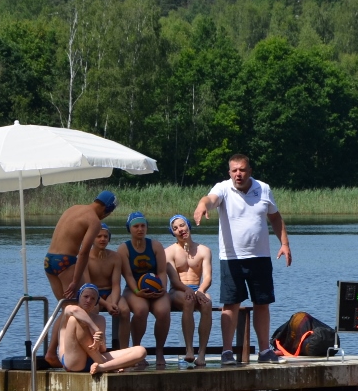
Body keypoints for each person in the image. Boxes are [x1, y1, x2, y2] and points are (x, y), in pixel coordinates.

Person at [192, 153, 292, 366]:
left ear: (250, 171)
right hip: (231, 258)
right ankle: (227, 351)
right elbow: (209, 199)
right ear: (229, 173)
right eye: (234, 170)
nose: (238, 174)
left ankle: (265, 350)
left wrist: (284, 244)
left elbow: (274, 217)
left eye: (242, 170)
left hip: (260, 256)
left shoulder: (263, 188)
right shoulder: (223, 188)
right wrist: (202, 206)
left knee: (262, 303)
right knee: (231, 304)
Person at [42, 191, 118, 366]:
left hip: (49, 260)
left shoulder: (74, 208)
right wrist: (76, 280)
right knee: (90, 307)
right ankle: (87, 352)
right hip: (66, 262)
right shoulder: (95, 221)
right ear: (107, 210)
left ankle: (53, 352)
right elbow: (83, 252)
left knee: (67, 308)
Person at [117, 212, 191, 370]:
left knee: (164, 311)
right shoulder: (124, 249)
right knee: (141, 310)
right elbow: (128, 275)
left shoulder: (155, 246)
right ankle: (136, 350)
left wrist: (162, 289)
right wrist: (138, 291)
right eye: (136, 226)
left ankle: (159, 350)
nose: (140, 229)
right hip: (134, 289)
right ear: (129, 229)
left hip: (157, 288)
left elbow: (162, 271)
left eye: (143, 226)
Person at [58, 284, 147, 375]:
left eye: (93, 299)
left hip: (95, 359)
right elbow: (75, 310)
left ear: (96, 302)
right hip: (74, 361)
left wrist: (100, 340)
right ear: (79, 297)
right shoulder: (69, 309)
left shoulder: (100, 319)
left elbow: (103, 349)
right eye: (86, 296)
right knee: (75, 320)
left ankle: (103, 367)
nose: (88, 300)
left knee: (141, 351)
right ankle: (109, 366)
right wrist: (96, 329)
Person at [165, 214, 214, 367]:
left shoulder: (204, 250)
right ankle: (189, 349)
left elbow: (207, 277)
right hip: (177, 291)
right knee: (189, 300)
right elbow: (173, 280)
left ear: (188, 226)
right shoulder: (169, 252)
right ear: (172, 233)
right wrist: (189, 291)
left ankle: (202, 354)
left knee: (207, 303)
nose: (180, 230)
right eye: (175, 228)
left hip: (197, 288)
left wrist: (200, 290)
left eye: (182, 225)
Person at [84, 223, 129, 346]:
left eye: (105, 236)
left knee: (124, 309)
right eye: (99, 236)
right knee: (92, 309)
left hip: (110, 292)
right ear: (92, 239)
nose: (102, 239)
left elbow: (116, 285)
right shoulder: (85, 258)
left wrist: (113, 303)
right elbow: (88, 287)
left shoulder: (115, 257)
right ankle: (95, 347)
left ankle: (124, 349)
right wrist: (106, 305)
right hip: (92, 293)